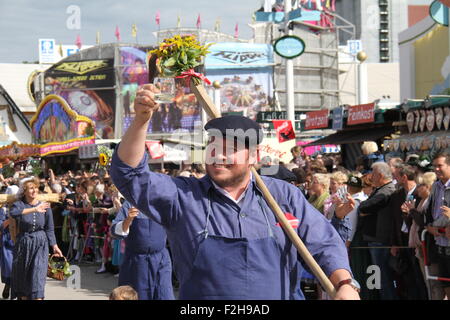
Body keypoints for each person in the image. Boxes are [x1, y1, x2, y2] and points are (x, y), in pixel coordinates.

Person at [110, 84, 359, 300]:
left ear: (254, 156)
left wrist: (345, 284)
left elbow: (324, 242)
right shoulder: (182, 196)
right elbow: (130, 175)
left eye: (230, 149)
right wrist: (141, 120)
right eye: (213, 147)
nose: (218, 155)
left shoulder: (283, 196)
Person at [9, 177, 63, 300]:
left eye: (36, 188)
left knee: (38, 274)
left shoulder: (45, 206)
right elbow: (14, 213)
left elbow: (49, 228)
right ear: (24, 191)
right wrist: (34, 209)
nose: (34, 190)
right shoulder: (19, 204)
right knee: (23, 276)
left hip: (40, 243)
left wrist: (54, 245)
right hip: (24, 243)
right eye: (31, 188)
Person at [111, 200, 174, 300]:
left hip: (161, 261)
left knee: (163, 294)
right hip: (136, 262)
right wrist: (129, 219)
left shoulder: (164, 202)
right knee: (136, 295)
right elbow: (114, 231)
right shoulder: (129, 204)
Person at [358, 162, 397, 300]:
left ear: (380, 175)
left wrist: (364, 210)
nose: (370, 177)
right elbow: (365, 207)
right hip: (375, 239)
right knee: (379, 278)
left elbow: (364, 207)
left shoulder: (387, 190)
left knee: (383, 278)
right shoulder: (380, 189)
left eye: (373, 174)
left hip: (380, 240)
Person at [424, 151, 450, 299]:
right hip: (440, 245)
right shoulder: (435, 186)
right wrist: (429, 226)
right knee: (445, 284)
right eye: (434, 166)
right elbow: (429, 212)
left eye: (440, 165)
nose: (436, 169)